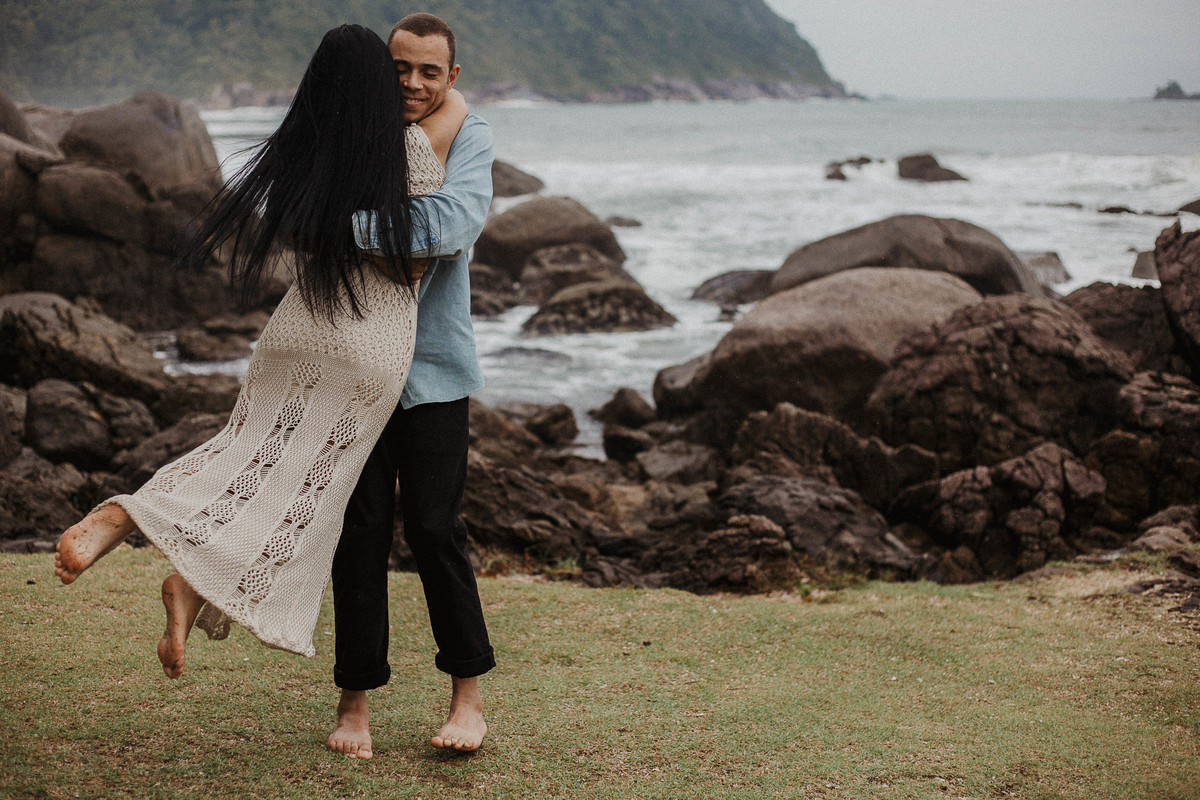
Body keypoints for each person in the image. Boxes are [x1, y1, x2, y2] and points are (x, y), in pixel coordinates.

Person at [53, 21, 467, 723]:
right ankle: (151, 535)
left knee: (248, 455)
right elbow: (416, 259)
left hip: (296, 330)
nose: (409, 85)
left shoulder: (305, 155)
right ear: (376, 85)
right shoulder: (403, 152)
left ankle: (156, 548)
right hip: (370, 343)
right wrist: (452, 99)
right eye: (395, 73)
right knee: (311, 490)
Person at [325, 13, 495, 760]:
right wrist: (385, 230)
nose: (414, 83)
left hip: (434, 368)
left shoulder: (472, 135)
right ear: (381, 67)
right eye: (400, 68)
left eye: (430, 72)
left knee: (434, 529)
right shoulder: (354, 133)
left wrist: (351, 230)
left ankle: (468, 698)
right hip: (357, 364)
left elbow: (453, 227)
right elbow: (303, 212)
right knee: (358, 532)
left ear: (451, 77)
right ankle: (354, 703)